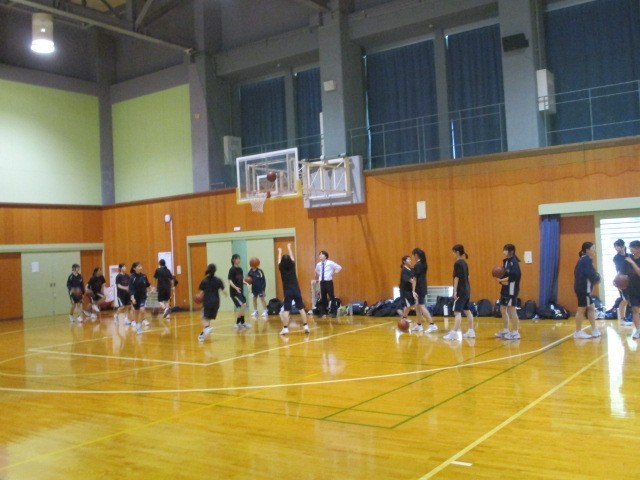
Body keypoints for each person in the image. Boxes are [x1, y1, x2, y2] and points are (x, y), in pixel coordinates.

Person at [443, 244, 475, 340]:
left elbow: (456, 278)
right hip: (467, 289)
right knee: (467, 310)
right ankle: (471, 331)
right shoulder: (465, 263)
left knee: (457, 312)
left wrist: (455, 291)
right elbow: (468, 277)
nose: (452, 254)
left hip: (461, 290)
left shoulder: (457, 263)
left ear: (457, 252)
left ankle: (454, 333)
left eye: (453, 252)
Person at [278, 243, 310, 335]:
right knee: (301, 309)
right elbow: (292, 257)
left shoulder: (281, 267)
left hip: (287, 291)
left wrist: (279, 252)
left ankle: (285, 328)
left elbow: (279, 260)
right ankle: (306, 326)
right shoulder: (292, 265)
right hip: (296, 290)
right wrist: (289, 248)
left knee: (286, 310)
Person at [573, 242, 602, 339]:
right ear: (587, 250)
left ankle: (594, 329)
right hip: (583, 289)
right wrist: (597, 278)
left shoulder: (583, 259)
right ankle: (578, 331)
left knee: (591, 307)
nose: (594, 250)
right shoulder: (586, 260)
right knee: (581, 309)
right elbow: (591, 274)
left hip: (582, 288)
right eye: (593, 248)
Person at [494, 244, 522, 340]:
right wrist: (500, 278)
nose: (504, 251)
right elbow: (504, 274)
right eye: (504, 249)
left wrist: (501, 280)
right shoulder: (506, 261)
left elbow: (514, 276)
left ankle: (515, 332)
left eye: (505, 250)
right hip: (505, 288)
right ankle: (506, 330)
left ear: (511, 251)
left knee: (511, 310)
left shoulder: (514, 262)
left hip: (511, 289)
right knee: (502, 309)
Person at [196, 263, 228, 342]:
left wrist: (197, 298)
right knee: (207, 318)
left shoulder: (204, 281)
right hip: (216, 302)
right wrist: (226, 294)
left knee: (203, 317)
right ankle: (202, 336)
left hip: (207, 302)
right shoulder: (218, 280)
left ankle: (207, 328)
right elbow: (224, 292)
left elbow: (201, 293)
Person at [410, 247, 437, 333]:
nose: (412, 257)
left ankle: (432, 325)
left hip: (419, 288)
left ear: (416, 255)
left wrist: (413, 291)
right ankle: (419, 325)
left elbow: (415, 279)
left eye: (413, 255)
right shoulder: (423, 264)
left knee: (421, 306)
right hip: (422, 287)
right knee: (417, 307)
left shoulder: (417, 265)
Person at [314, 251, 342, 316]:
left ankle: (334, 312)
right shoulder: (318, 264)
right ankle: (323, 312)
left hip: (328, 282)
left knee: (331, 297)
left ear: (325, 256)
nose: (320, 256)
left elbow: (339, 267)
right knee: (323, 297)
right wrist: (320, 275)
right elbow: (316, 270)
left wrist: (332, 273)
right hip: (322, 282)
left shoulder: (330, 263)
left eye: (321, 254)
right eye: (319, 254)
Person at [613, 239, 632, 326]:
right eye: (615, 246)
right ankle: (622, 319)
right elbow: (620, 269)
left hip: (632, 280)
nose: (616, 248)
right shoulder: (616, 258)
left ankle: (631, 316)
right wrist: (616, 282)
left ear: (623, 246)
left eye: (618, 246)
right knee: (625, 299)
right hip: (622, 281)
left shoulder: (629, 255)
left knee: (632, 299)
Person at [129, 261, 151, 335]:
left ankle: (139, 325)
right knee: (136, 311)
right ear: (134, 268)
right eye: (138, 266)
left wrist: (151, 289)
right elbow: (131, 289)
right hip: (135, 297)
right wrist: (132, 298)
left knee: (142, 310)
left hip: (143, 296)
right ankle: (136, 323)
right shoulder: (132, 277)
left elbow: (147, 284)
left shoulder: (144, 276)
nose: (140, 267)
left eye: (141, 266)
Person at [625, 240, 640, 339]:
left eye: (633, 247)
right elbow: (623, 272)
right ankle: (638, 330)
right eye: (630, 247)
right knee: (635, 309)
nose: (631, 249)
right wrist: (617, 279)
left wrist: (632, 262)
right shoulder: (628, 259)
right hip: (632, 288)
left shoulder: (631, 260)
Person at [228, 254, 249, 329]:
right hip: (234, 292)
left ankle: (242, 322)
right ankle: (237, 323)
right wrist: (235, 287)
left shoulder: (240, 269)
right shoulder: (232, 269)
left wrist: (246, 283)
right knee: (243, 305)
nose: (239, 260)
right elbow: (230, 281)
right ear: (234, 260)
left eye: (239, 258)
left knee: (243, 306)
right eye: (237, 258)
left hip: (240, 291)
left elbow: (241, 279)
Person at [398, 255, 416, 328]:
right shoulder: (404, 270)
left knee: (410, 305)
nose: (410, 260)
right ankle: (404, 317)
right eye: (408, 259)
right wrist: (415, 282)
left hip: (409, 290)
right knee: (408, 305)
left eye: (410, 259)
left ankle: (404, 316)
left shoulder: (411, 269)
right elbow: (410, 280)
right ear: (404, 261)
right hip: (404, 290)